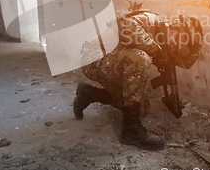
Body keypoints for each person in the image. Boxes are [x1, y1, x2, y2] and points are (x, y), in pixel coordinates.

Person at [73, 10, 203, 150]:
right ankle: (130, 130)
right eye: (178, 38)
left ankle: (89, 93)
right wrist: (156, 51)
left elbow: (185, 63)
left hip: (110, 64)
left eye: (180, 44)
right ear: (174, 26)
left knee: (141, 107)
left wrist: (195, 48)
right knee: (139, 59)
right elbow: (124, 25)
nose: (174, 45)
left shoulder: (167, 43)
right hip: (92, 57)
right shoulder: (151, 19)